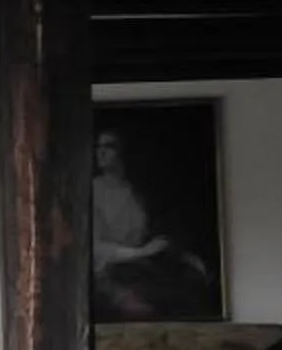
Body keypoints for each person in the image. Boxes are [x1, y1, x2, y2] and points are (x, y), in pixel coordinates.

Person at [90, 125, 212, 319]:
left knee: (191, 286)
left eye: (109, 146)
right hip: (105, 273)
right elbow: (94, 248)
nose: (101, 151)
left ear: (123, 152)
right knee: (140, 307)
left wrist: (180, 255)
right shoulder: (92, 191)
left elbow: (151, 236)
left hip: (136, 268)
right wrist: (140, 252)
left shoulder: (136, 192)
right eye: (98, 146)